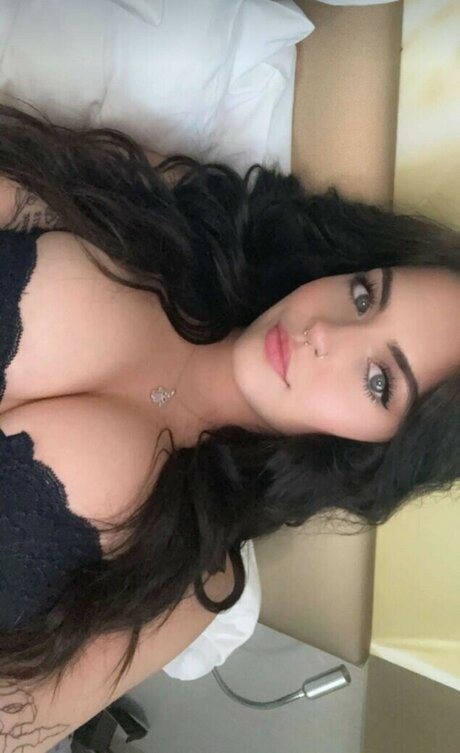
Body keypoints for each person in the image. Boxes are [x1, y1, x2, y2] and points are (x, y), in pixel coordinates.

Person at [0, 103, 458, 710]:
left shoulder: (190, 583)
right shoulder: (173, 214)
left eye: (378, 381)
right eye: (363, 295)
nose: (325, 333)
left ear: (376, 453)